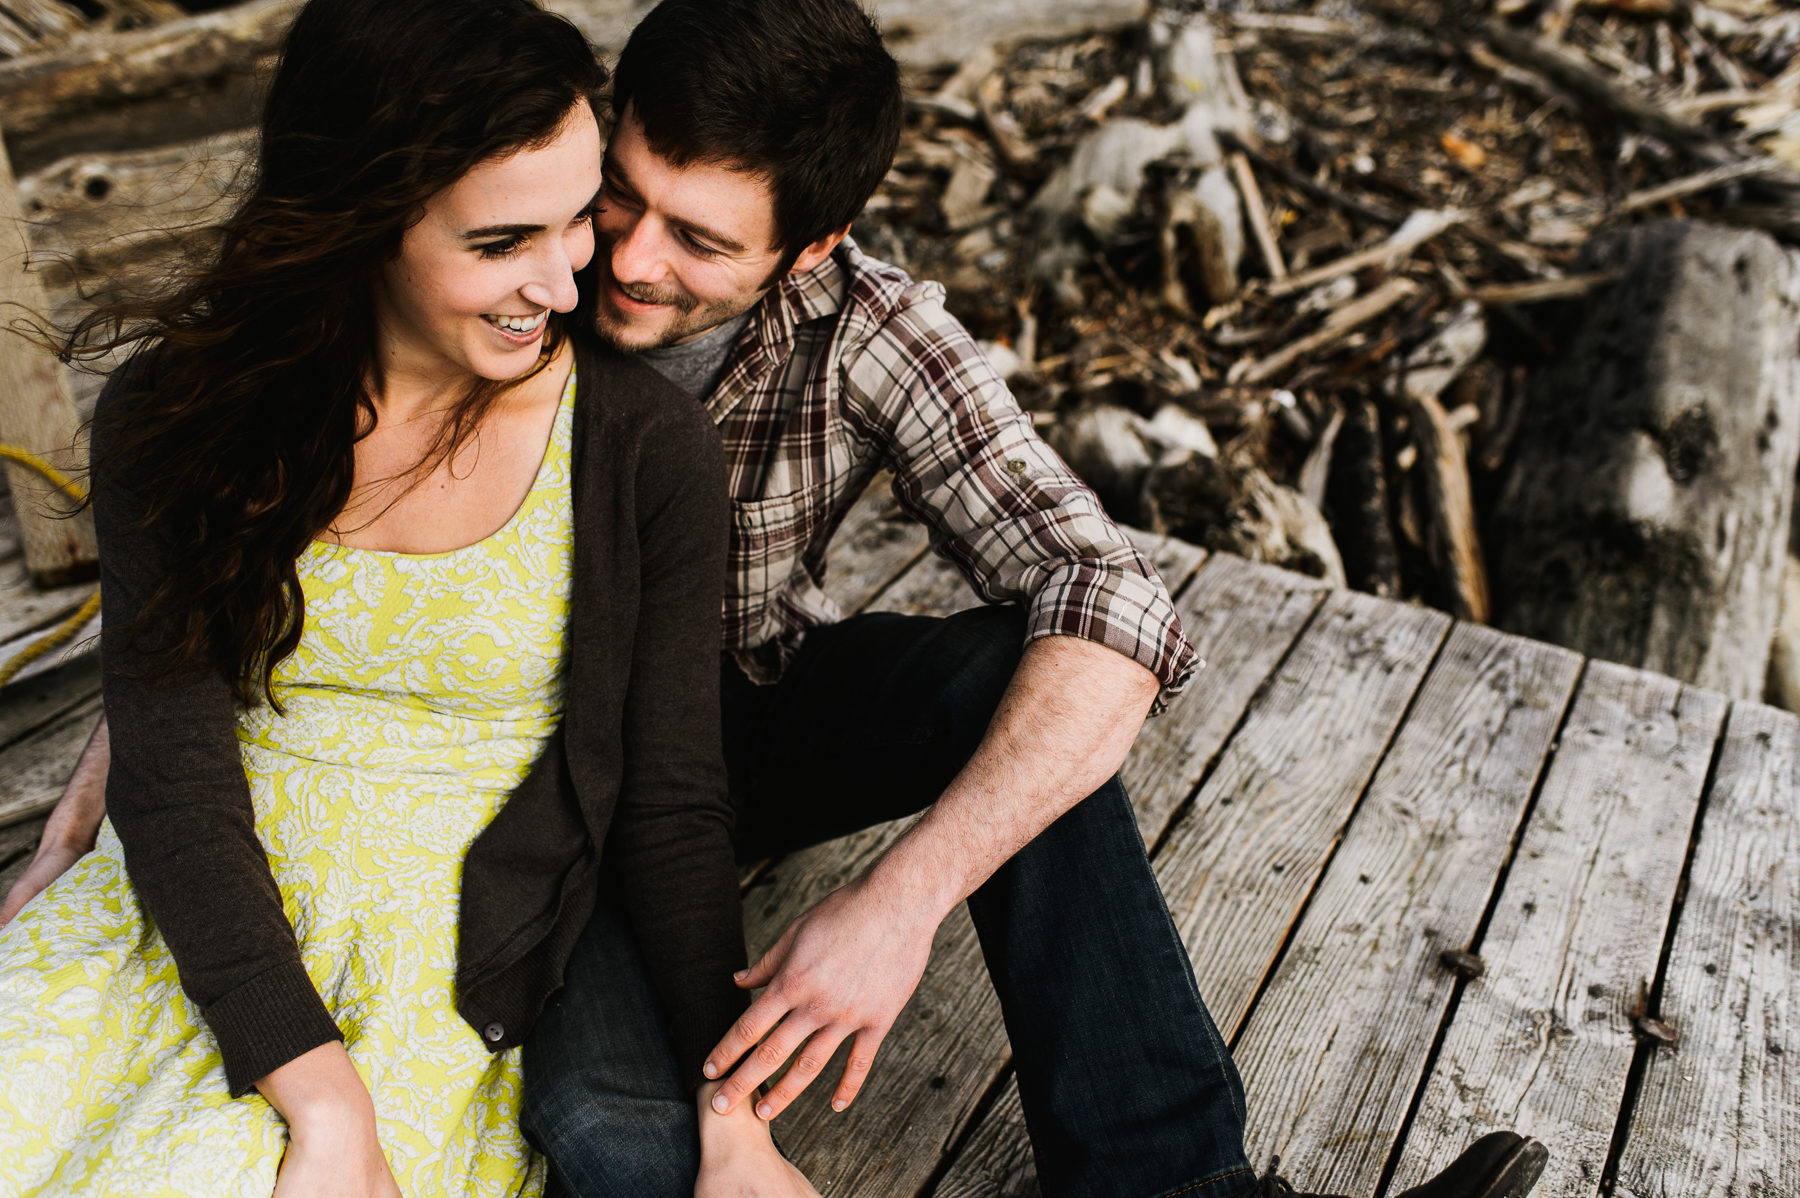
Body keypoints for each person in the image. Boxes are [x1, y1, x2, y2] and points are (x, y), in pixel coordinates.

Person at [10, 2, 1552, 1197]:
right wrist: (152, 733)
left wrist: (904, 896)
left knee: (1021, 687)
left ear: (809, 246)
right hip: (516, 770)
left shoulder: (859, 337)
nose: (608, 263)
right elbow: (288, 549)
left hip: (714, 728)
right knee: (623, 1145)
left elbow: (1113, 597)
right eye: (616, 195)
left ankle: (1178, 1182)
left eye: (697, 239)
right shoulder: (496, 260)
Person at [0, 0, 812, 1194]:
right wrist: (321, 1100)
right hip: (188, 912)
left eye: (578, 216)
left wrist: (734, 1112)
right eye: (500, 244)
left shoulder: (643, 446)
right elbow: (173, 774)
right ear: (365, 219)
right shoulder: (183, 419)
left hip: (436, 959)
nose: (565, 277)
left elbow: (673, 803)